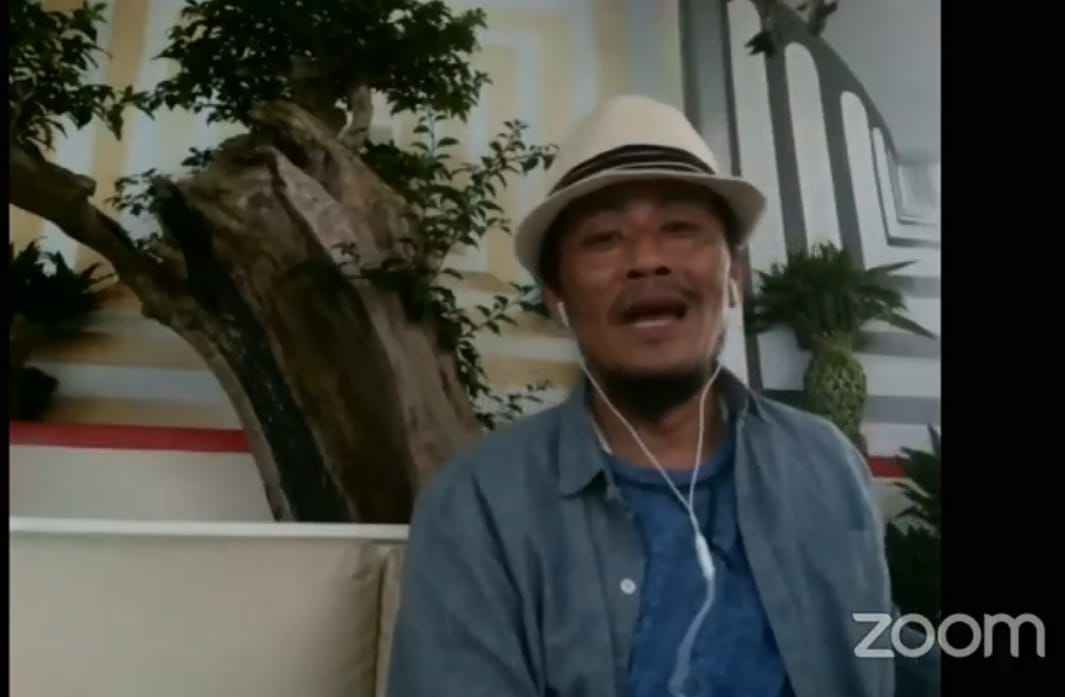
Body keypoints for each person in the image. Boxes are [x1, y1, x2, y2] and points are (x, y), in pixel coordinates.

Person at [385, 95, 939, 697]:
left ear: (734, 275)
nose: (646, 260)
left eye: (680, 228)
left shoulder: (827, 464)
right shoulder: (477, 507)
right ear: (557, 295)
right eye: (604, 238)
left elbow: (878, 654)